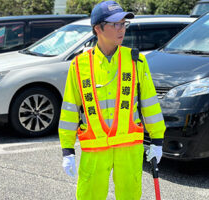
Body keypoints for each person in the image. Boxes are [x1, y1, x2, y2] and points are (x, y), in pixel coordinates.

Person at [58, 1, 166, 199]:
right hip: (95, 146)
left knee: (130, 195)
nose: (121, 29)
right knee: (89, 195)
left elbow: (150, 104)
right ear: (97, 28)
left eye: (124, 24)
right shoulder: (80, 65)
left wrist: (157, 140)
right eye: (115, 24)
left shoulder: (136, 61)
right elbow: (70, 109)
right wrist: (67, 149)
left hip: (129, 146)